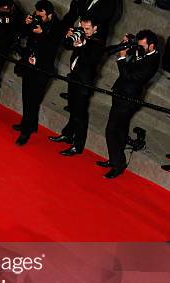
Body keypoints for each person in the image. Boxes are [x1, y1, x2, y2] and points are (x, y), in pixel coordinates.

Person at [98, 30, 160, 179]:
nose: (139, 48)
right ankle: (115, 160)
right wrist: (126, 43)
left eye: (142, 46)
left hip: (129, 100)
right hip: (120, 94)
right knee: (120, 131)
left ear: (151, 46)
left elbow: (129, 78)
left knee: (111, 130)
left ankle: (118, 165)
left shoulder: (153, 62)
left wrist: (122, 58)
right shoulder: (142, 50)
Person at [49, 16, 105, 156]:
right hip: (73, 78)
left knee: (80, 115)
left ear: (95, 28)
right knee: (73, 110)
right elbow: (67, 45)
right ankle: (67, 135)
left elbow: (89, 61)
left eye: (87, 29)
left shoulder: (98, 43)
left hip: (84, 83)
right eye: (83, 27)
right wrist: (68, 36)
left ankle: (78, 146)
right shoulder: (81, 35)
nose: (84, 31)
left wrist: (80, 46)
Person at [13, 0, 64, 146]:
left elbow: (52, 47)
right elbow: (23, 34)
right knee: (26, 95)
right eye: (36, 14)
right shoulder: (36, 21)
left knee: (33, 99)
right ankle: (29, 123)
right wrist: (26, 23)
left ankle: (26, 131)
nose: (38, 18)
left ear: (50, 15)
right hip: (29, 64)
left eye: (41, 16)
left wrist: (43, 33)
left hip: (43, 69)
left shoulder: (56, 27)